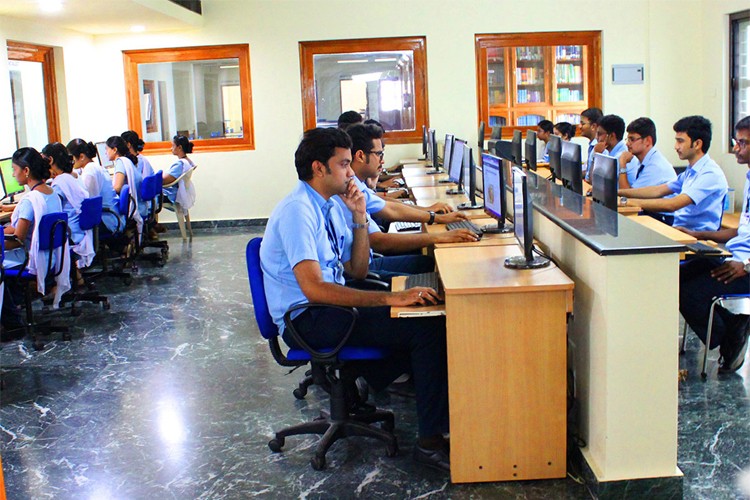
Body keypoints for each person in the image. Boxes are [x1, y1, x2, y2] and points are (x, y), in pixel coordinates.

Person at [260, 127, 450, 472]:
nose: (351, 173)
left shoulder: (330, 204)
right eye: (344, 165)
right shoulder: (297, 212)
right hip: (307, 320)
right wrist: (392, 299)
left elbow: (358, 270)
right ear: (319, 168)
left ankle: (387, 385)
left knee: (423, 312)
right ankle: (430, 443)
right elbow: (315, 290)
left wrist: (360, 217)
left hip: (331, 308)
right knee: (426, 329)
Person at [339, 124, 478, 280]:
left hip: (367, 261)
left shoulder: (354, 186)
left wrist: (430, 213)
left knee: (426, 262)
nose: (383, 161)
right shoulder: (346, 191)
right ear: (360, 156)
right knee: (436, 273)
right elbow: (379, 238)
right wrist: (436, 230)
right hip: (364, 269)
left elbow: (386, 204)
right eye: (379, 154)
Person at [676, 116, 750, 373]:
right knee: (674, 278)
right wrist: (697, 235)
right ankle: (734, 326)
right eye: (736, 142)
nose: (737, 148)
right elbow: (742, 231)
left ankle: (729, 335)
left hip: (744, 265)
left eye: (743, 143)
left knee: (689, 292)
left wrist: (747, 265)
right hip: (734, 255)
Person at [618, 116, 728, 230]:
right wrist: (618, 193)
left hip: (698, 237)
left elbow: (672, 205)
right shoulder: (690, 171)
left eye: (680, 141)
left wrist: (625, 201)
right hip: (679, 230)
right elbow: (658, 190)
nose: (676, 147)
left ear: (697, 144)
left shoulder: (710, 174)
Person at [3, 148, 69, 308]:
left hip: (31, 259)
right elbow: (20, 228)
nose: (12, 174)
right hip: (52, 257)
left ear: (26, 171)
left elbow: (17, 240)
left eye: (14, 170)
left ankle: (11, 319)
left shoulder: (30, 200)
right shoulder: (52, 193)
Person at [41, 142, 95, 269]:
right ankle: (76, 274)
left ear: (50, 160)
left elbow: (48, 208)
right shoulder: (71, 177)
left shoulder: (60, 183)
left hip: (72, 234)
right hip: (81, 232)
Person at [67, 139, 124, 238]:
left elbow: (86, 201)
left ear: (81, 157)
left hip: (107, 221)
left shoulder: (90, 171)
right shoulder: (94, 167)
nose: (70, 162)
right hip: (112, 215)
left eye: (71, 158)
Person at [617, 117, 676, 190]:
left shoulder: (655, 166)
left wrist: (622, 164)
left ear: (648, 141)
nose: (627, 144)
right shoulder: (646, 160)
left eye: (632, 139)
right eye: (627, 139)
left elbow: (626, 196)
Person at [106, 135, 146, 238]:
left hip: (133, 207)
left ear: (114, 150)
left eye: (106, 149)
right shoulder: (127, 161)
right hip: (140, 204)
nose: (105, 153)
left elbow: (117, 187)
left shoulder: (120, 163)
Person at [163, 135, 195, 204]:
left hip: (172, 195)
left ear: (179, 147)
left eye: (173, 146)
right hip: (180, 192)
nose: (171, 148)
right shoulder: (189, 162)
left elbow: (164, 180)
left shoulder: (180, 164)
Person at [580, 107, 603, 180]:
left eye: (582, 123)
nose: (579, 126)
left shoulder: (600, 147)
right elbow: (587, 172)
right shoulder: (591, 145)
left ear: (593, 126)